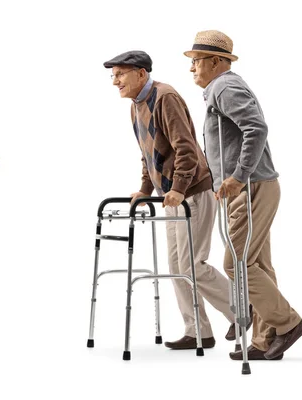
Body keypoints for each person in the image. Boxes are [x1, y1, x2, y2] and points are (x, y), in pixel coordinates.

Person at [103, 50, 243, 350]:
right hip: (171, 196)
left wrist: (179, 186)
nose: (115, 81)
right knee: (175, 266)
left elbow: (186, 147)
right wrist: (144, 190)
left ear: (141, 73)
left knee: (192, 265)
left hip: (193, 191)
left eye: (120, 74)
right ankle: (198, 332)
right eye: (113, 76)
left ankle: (243, 311)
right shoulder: (136, 105)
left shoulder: (164, 97)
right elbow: (148, 153)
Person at [184, 30, 302, 360]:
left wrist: (237, 177)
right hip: (253, 187)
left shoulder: (225, 86)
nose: (192, 67)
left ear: (215, 61)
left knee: (237, 264)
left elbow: (256, 128)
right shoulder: (221, 88)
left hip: (251, 187)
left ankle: (288, 323)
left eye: (196, 61)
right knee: (258, 265)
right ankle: (265, 341)